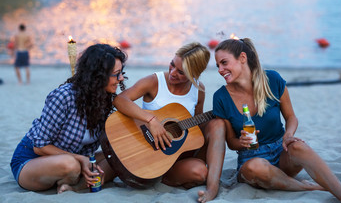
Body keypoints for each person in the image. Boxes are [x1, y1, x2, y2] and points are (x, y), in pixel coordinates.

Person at [212, 38, 341, 203]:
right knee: (256, 167)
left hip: (281, 151)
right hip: (251, 161)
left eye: (224, 63)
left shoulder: (272, 80)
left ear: (242, 58)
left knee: (299, 146)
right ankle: (310, 187)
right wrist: (242, 142)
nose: (220, 69)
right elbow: (231, 142)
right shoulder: (220, 97)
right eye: (218, 65)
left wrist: (288, 135)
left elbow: (291, 117)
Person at [113, 42, 225, 202]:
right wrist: (151, 120)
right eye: (172, 65)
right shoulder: (154, 81)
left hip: (174, 157)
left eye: (181, 72)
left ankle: (165, 177)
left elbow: (196, 129)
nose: (172, 72)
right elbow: (120, 100)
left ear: (195, 73)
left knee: (200, 172)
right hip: (146, 150)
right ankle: (154, 174)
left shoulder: (198, 90)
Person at [10, 44, 127, 193]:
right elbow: (39, 146)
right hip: (31, 161)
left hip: (76, 159)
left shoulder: (104, 100)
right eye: (116, 74)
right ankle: (74, 176)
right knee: (70, 165)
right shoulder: (64, 97)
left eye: (121, 72)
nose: (121, 78)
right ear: (99, 76)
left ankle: (73, 188)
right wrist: (80, 159)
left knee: (118, 158)